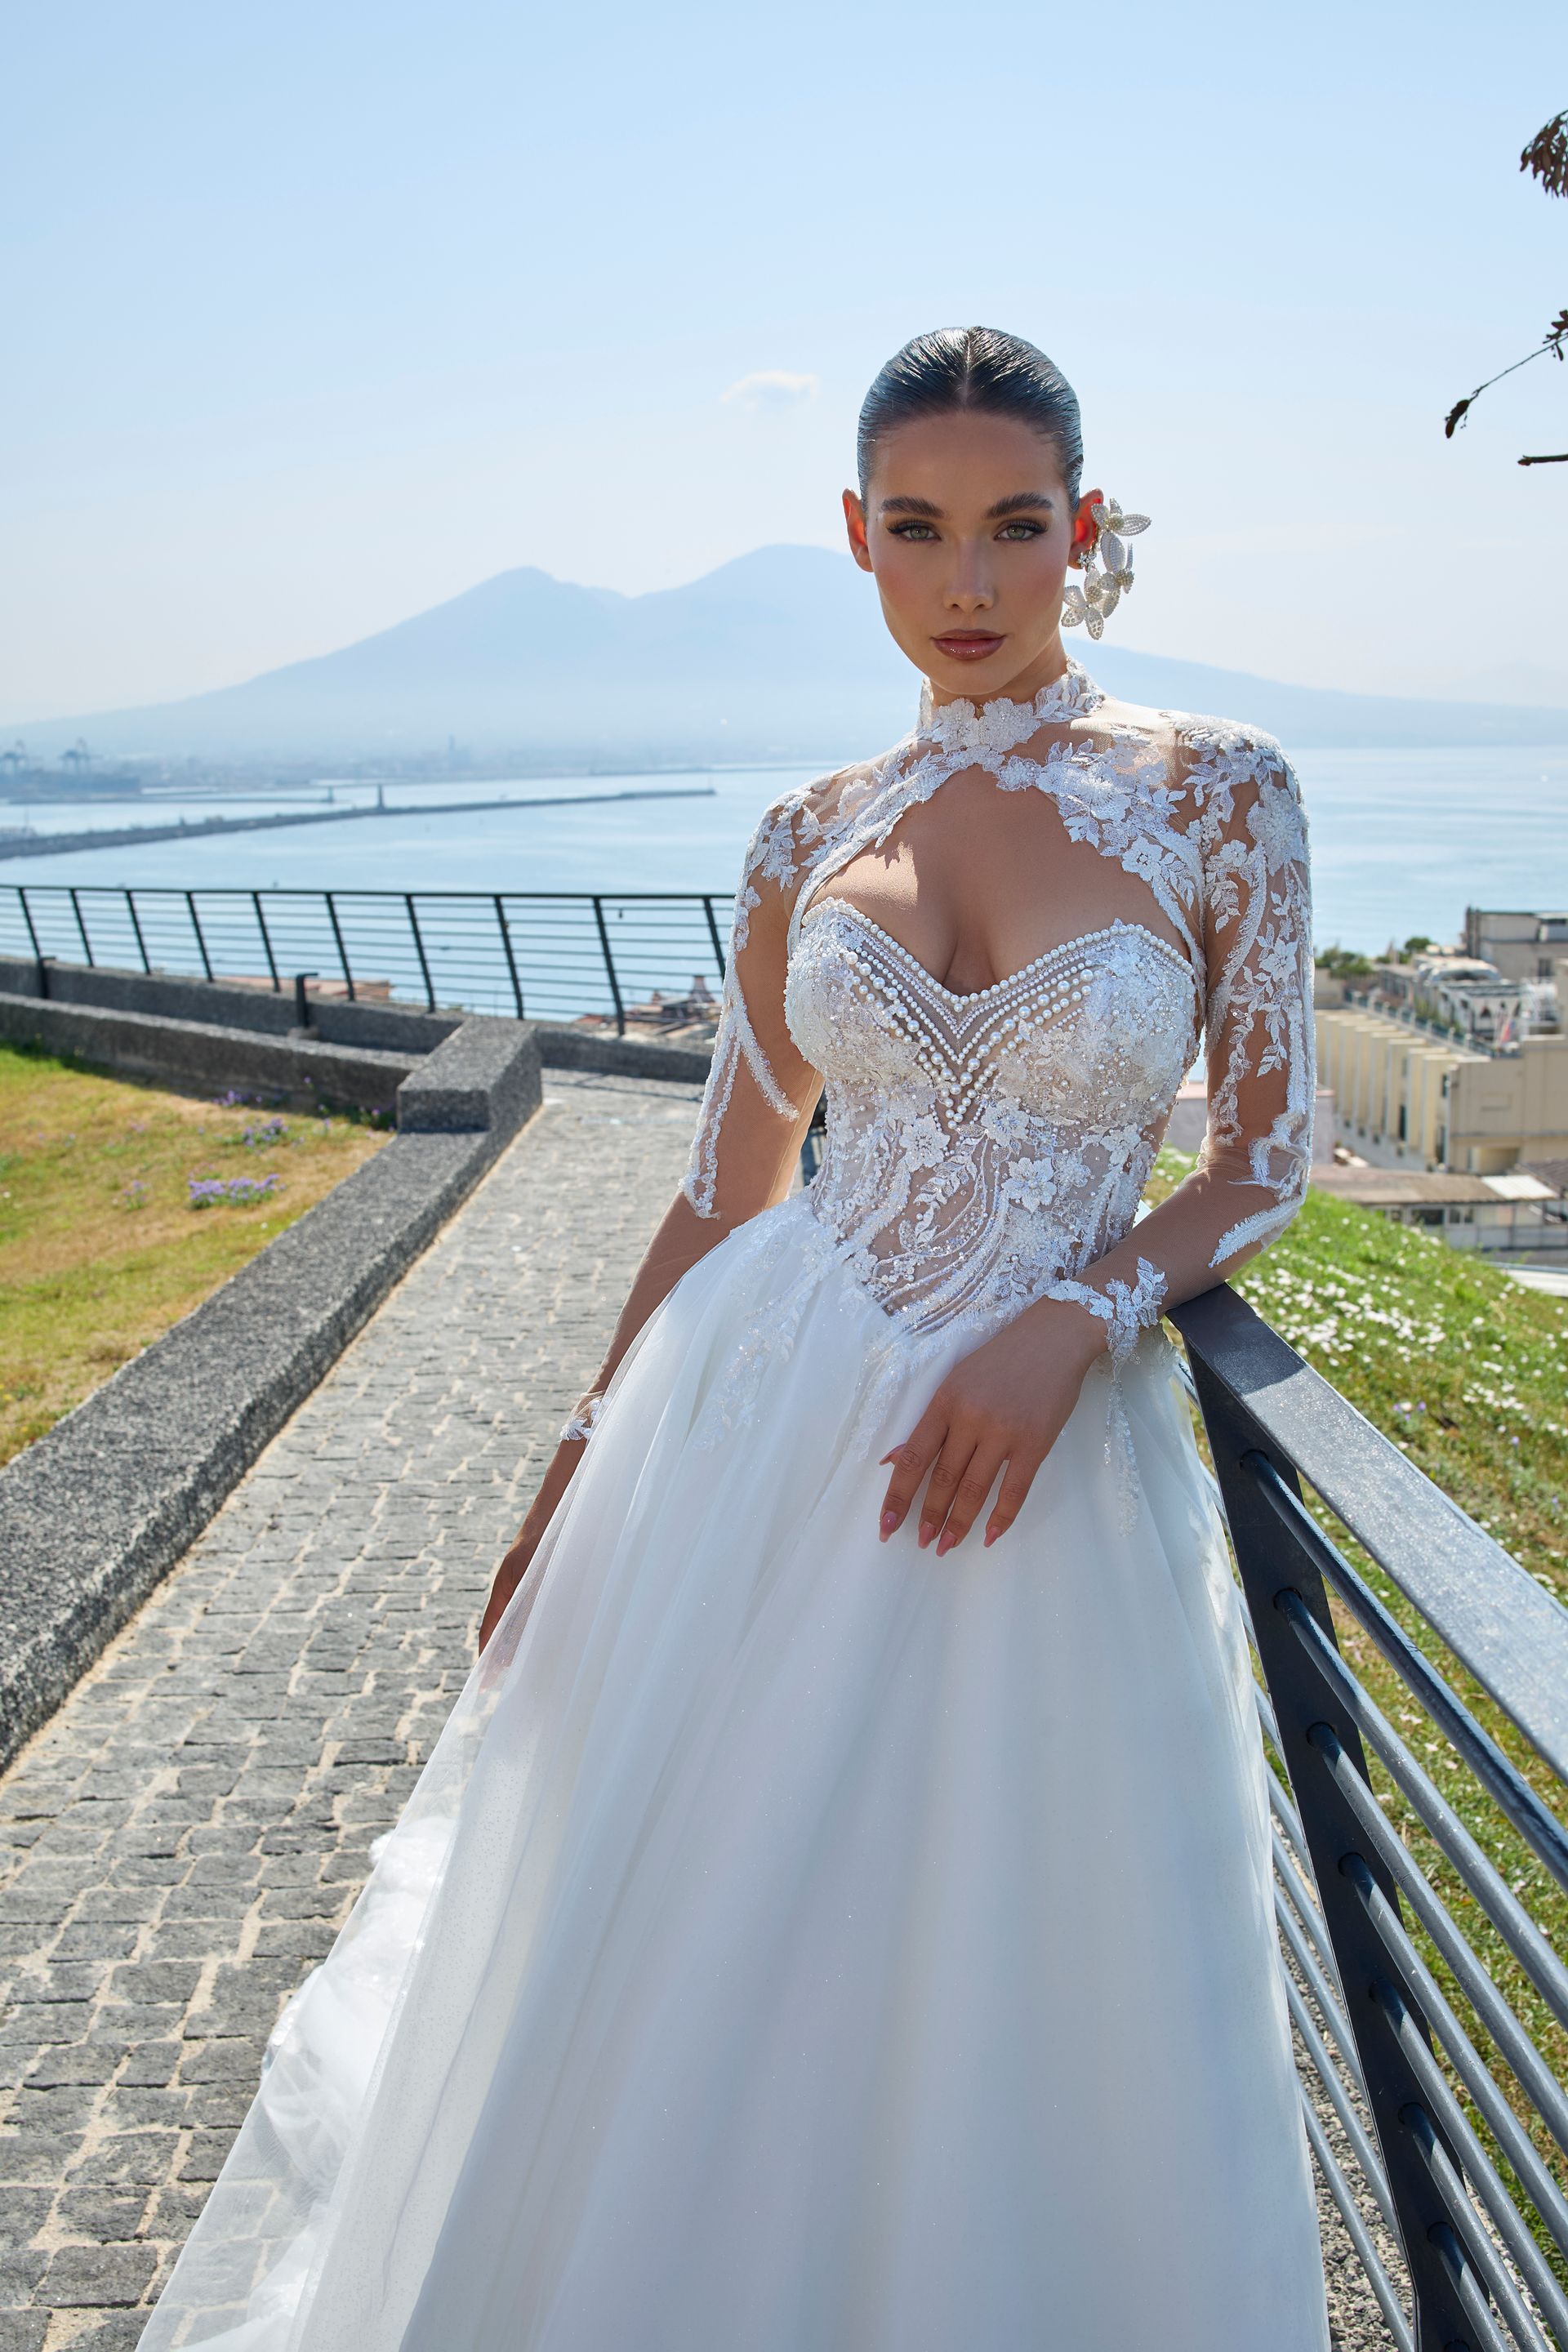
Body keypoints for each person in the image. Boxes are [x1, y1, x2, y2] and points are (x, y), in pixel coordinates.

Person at [142, 327, 1328, 2351]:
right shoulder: (808, 828)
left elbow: (1271, 1158)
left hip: (1030, 1471)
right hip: (761, 1428)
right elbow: (723, 1190)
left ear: (1086, 533)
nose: (972, 584)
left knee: (992, 1975)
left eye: (1019, 529)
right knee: (701, 1956)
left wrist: (1076, 1311)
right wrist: (580, 1463)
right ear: (856, 538)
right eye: (926, 532)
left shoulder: (1220, 796)